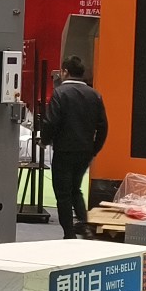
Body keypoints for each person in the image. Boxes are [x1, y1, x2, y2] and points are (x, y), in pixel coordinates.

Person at [39, 56, 107, 239]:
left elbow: (50, 122)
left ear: (65, 72)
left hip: (64, 151)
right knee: (76, 188)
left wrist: (44, 141)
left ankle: (69, 234)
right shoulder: (94, 95)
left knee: (63, 194)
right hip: (85, 151)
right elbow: (103, 126)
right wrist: (94, 149)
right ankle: (84, 225)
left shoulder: (60, 93)